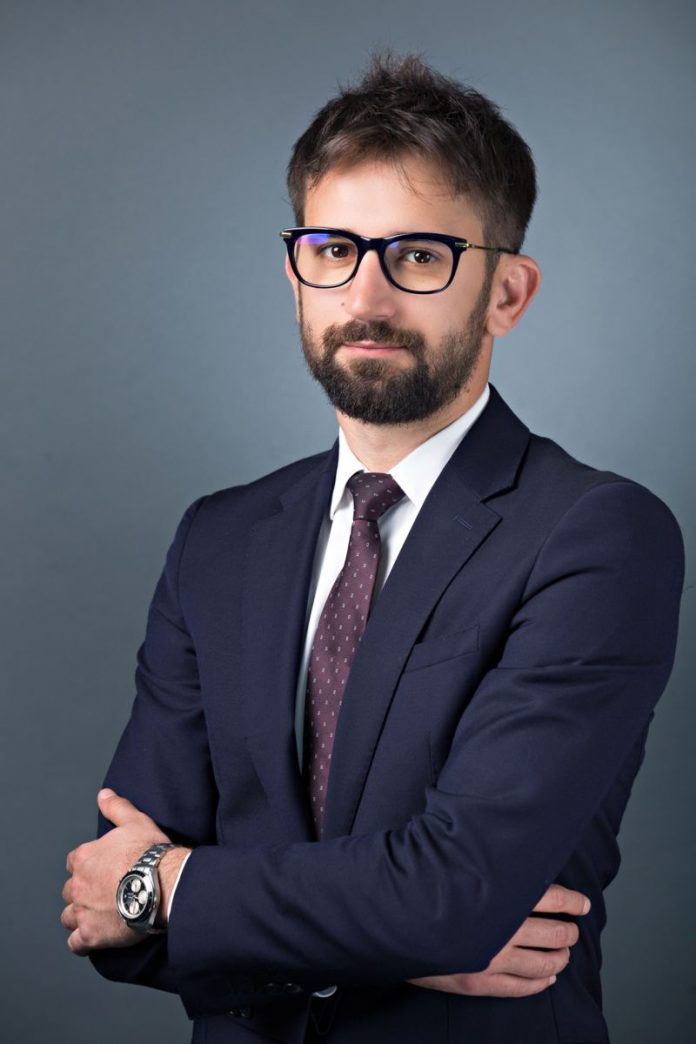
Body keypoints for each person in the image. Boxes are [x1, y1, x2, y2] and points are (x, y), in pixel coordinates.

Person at [61, 55, 684, 1044]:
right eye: (333, 249)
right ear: (295, 274)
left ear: (507, 293)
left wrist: (172, 888)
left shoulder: (598, 535)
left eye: (421, 256)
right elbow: (105, 911)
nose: (368, 296)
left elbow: (454, 894)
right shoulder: (218, 540)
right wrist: (404, 938)